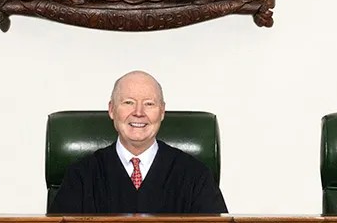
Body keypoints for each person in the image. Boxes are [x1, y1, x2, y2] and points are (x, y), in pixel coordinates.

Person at [50, 71, 227, 214]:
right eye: (128, 102)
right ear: (111, 110)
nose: (139, 112)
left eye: (149, 104)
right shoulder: (81, 177)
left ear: (162, 112)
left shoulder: (195, 176)